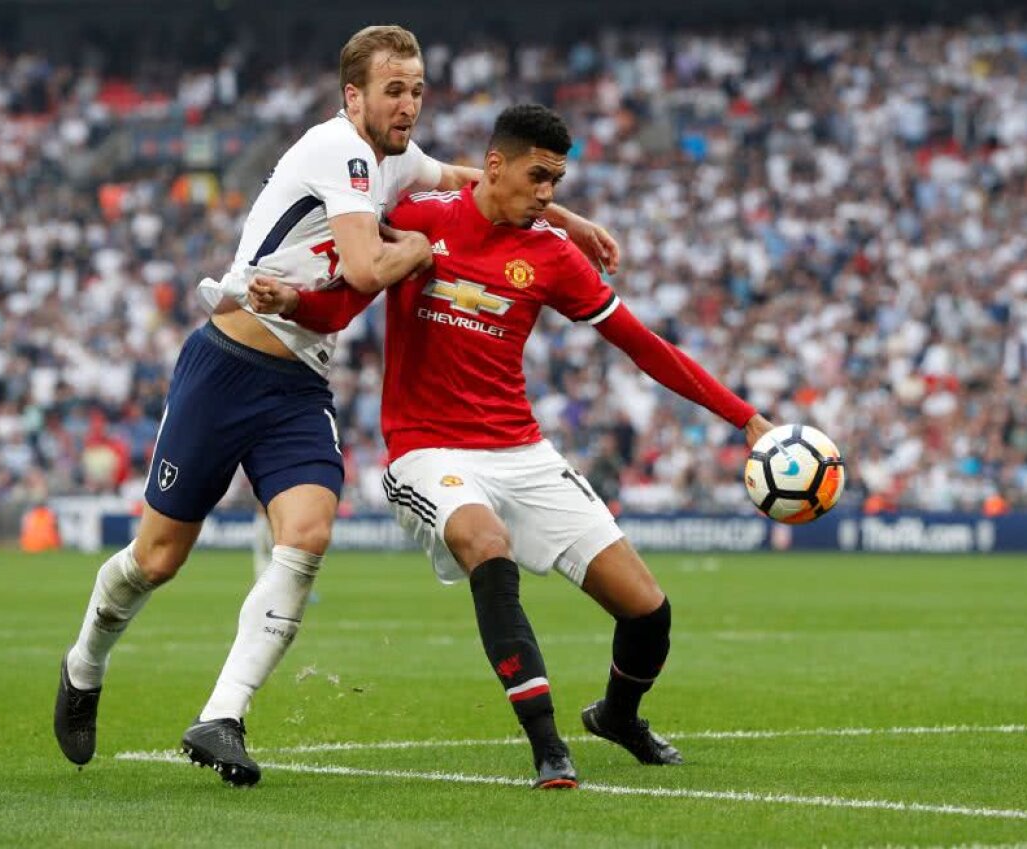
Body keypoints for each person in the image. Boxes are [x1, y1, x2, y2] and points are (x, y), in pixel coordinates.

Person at [53, 27, 621, 787]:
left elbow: (474, 181)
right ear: (352, 96)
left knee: (308, 533)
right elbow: (366, 265)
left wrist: (564, 218)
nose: (409, 103)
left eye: (418, 89)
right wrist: (418, 251)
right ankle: (85, 661)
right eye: (394, 89)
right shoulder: (339, 149)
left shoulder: (394, 159)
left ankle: (222, 716)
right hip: (225, 365)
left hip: (297, 387)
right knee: (158, 559)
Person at [249, 104, 774, 788]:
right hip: (427, 450)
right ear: (495, 164)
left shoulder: (553, 255)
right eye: (539, 176)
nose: (549, 194)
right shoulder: (423, 218)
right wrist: (294, 303)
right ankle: (548, 745)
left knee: (648, 609)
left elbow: (645, 347)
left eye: (557, 181)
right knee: (487, 545)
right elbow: (348, 299)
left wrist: (746, 419)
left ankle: (618, 714)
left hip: (521, 450)